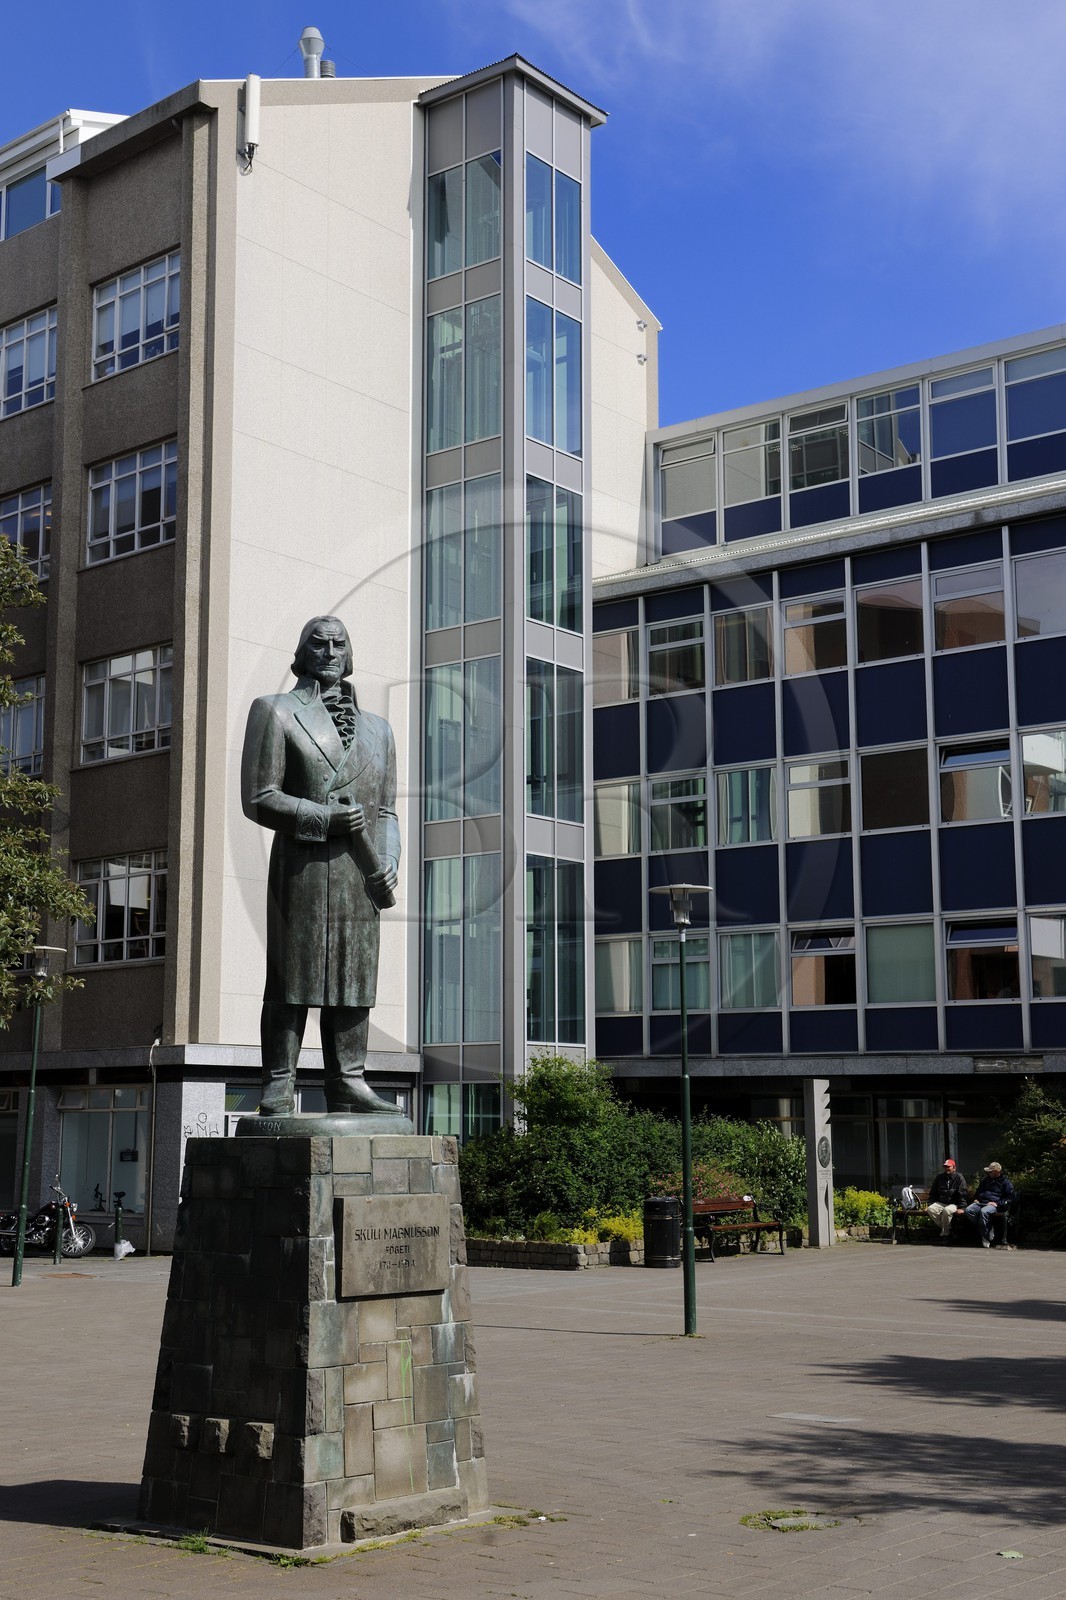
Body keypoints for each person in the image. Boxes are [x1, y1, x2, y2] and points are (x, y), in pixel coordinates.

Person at [241, 615, 400, 1116]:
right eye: (318, 643)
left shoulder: (379, 730)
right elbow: (259, 797)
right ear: (302, 653)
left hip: (359, 872)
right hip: (303, 866)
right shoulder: (275, 710)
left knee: (355, 977)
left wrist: (389, 860)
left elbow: (386, 811)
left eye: (338, 644)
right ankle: (278, 1081)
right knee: (292, 977)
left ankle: (349, 1079)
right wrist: (323, 817)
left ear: (349, 654)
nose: (329, 653)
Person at [964, 1161, 1015, 1248]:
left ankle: (985, 1237)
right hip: (981, 1202)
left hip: (994, 1205)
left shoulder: (1005, 1182)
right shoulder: (986, 1180)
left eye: (990, 1171)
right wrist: (976, 1198)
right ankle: (988, 1227)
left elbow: (1010, 1197)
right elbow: (979, 1191)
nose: (988, 1173)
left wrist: (997, 1203)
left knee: (983, 1212)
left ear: (996, 1172)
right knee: (968, 1210)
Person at [925, 1158, 968, 1240]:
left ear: (954, 1168)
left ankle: (946, 1235)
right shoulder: (939, 1177)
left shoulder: (959, 1177)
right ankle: (950, 1229)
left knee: (947, 1210)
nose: (946, 1168)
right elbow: (933, 1193)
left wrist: (962, 1207)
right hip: (941, 1202)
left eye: (948, 1166)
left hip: (954, 1203)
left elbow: (962, 1193)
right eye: (945, 1166)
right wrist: (930, 1204)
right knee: (930, 1209)